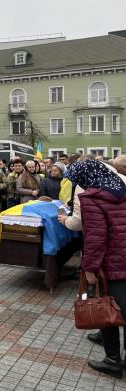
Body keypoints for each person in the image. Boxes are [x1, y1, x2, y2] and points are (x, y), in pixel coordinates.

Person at [67, 159, 126, 377]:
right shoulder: (122, 190)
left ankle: (112, 360)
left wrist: (89, 268)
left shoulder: (92, 197)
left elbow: (95, 239)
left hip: (110, 264)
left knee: (106, 307)